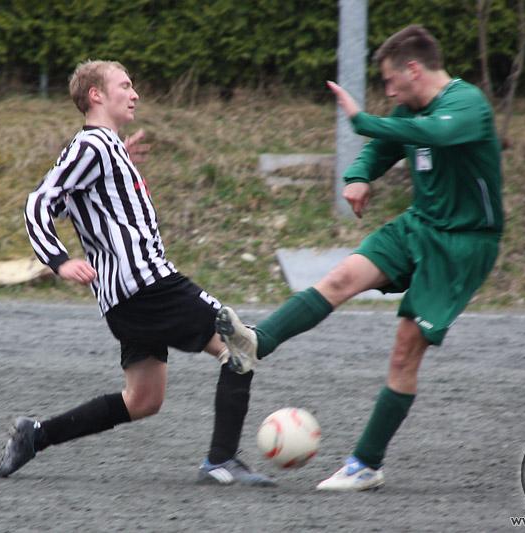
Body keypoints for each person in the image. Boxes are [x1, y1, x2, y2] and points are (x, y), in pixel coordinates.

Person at [216, 24, 503, 491]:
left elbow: (432, 132)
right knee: (341, 277)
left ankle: (366, 464)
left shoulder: (467, 105)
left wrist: (362, 119)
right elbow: (385, 146)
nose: (389, 92)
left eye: (390, 80)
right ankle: (257, 341)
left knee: (404, 352)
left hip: (462, 244)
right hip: (419, 224)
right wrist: (359, 175)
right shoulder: (410, 110)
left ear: (414, 69)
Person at [0, 60, 273, 487]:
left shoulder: (104, 149)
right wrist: (58, 260)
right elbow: (39, 203)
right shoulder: (93, 147)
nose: (135, 93)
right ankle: (222, 460)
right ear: (96, 95)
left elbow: (72, 199)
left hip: (127, 298)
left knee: (143, 400)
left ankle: (35, 436)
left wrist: (121, 157)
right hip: (147, 286)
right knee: (239, 345)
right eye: (124, 85)